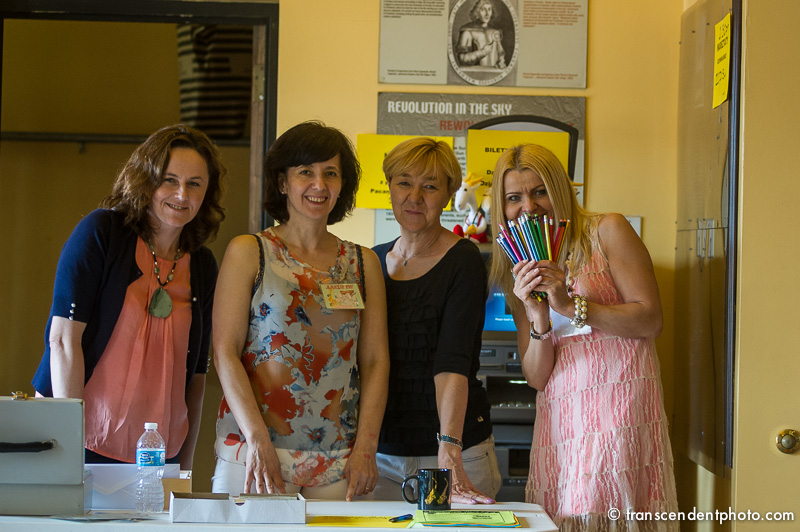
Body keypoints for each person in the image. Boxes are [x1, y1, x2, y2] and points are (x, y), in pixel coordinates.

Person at [489, 144, 678, 530]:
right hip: (561, 423)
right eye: (514, 198)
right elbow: (537, 377)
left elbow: (650, 320)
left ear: (560, 189)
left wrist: (569, 304)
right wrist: (539, 314)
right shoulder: (515, 266)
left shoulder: (607, 230)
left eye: (539, 191)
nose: (529, 207)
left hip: (617, 409)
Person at [212, 121, 390, 501]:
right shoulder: (249, 252)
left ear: (342, 184)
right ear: (282, 182)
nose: (319, 185)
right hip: (255, 453)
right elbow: (225, 352)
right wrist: (256, 440)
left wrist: (366, 445)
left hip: (341, 459)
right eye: (305, 172)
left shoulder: (363, 263)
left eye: (330, 173)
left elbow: (375, 361)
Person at [32, 124, 226, 469]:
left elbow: (196, 376)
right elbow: (63, 341)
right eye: (169, 180)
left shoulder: (203, 266)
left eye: (195, 184)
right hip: (79, 440)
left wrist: (184, 469)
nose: (182, 194)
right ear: (146, 180)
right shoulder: (101, 233)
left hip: (158, 453)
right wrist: (69, 446)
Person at [372, 137, 501, 504]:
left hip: (452, 451)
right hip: (381, 455)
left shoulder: (464, 260)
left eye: (430, 186)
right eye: (404, 182)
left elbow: (452, 362)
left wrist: (449, 450)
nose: (415, 197)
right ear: (390, 187)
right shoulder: (371, 260)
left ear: (447, 196)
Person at [456, 0, 506, 69]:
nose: (487, 14)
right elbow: (462, 59)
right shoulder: (467, 31)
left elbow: (500, 52)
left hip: (494, 72)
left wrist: (501, 61)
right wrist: (483, 52)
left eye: (489, 9)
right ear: (476, 12)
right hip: (474, 72)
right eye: (483, 9)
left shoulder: (494, 31)